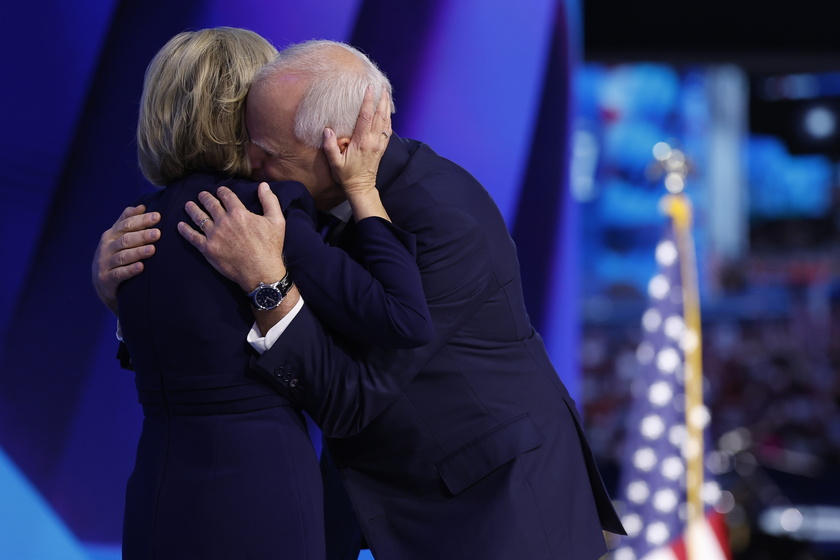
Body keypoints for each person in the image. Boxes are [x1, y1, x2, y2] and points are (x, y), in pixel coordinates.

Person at [96, 39, 626, 560]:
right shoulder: (296, 200)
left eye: (268, 151)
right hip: (383, 497)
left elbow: (354, 397)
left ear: (339, 146)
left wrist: (269, 287)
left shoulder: (442, 218)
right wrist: (123, 297)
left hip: (496, 510)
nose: (251, 162)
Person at [105, 29, 432, 560]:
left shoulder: (138, 221)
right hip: (256, 490)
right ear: (245, 113)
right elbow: (401, 318)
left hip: (156, 490)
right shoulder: (262, 211)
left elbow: (167, 344)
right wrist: (364, 192)